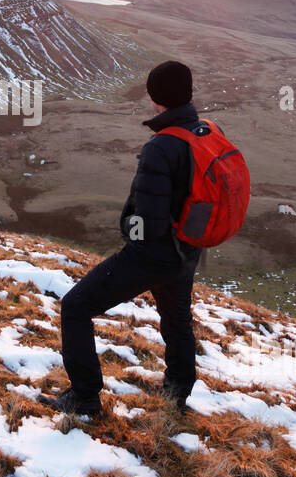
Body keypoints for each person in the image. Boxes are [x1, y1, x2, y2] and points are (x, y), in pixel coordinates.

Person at [42, 60, 207, 417]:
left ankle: (85, 398)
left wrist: (129, 240)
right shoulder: (202, 132)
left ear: (155, 98)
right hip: (187, 249)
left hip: (154, 254)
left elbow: (146, 220)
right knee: (177, 320)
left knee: (75, 306)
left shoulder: (161, 147)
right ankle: (176, 397)